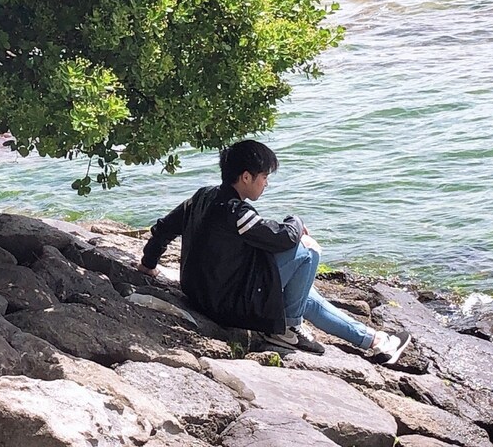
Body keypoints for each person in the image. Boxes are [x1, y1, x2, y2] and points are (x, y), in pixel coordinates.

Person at [137, 139, 411, 365]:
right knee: (308, 251)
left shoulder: (202, 196)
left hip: (200, 293)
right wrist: (297, 221)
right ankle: (287, 331)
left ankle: (375, 341)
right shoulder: (236, 212)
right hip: (226, 304)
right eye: (264, 177)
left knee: (303, 295)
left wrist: (148, 264)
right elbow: (284, 239)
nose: (266, 183)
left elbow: (163, 228)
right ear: (246, 177)